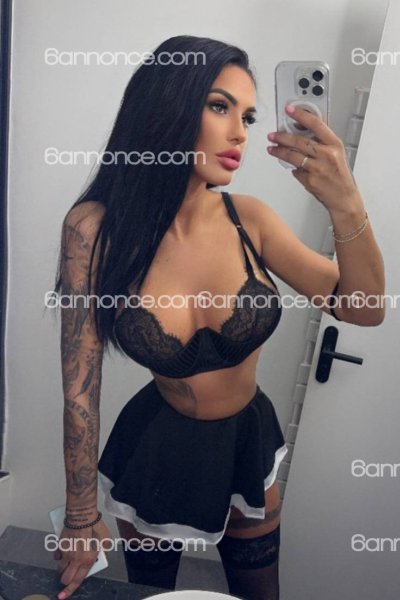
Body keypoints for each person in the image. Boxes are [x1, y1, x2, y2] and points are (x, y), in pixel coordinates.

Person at [52, 35, 385, 600]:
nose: (240, 134)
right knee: (153, 595)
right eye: (219, 106)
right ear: (167, 105)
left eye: (248, 117)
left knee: (261, 593)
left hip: (244, 443)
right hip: (155, 447)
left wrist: (346, 203)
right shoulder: (93, 230)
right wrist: (80, 516)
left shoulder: (250, 220)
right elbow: (80, 387)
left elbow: (366, 309)